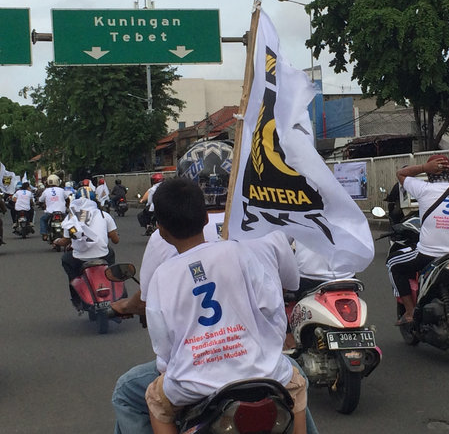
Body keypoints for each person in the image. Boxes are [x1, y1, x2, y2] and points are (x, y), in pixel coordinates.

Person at [143, 178, 307, 434]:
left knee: (156, 402)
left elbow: (163, 345)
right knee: (297, 387)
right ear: (206, 218)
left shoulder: (161, 276)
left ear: (161, 229)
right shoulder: (239, 252)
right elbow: (272, 305)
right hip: (260, 371)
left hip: (193, 382)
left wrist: (172, 367)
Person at [387, 154, 449, 325]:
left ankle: (411, 312)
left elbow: (400, 174)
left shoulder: (424, 189)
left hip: (429, 255)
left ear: (429, 174)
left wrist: (422, 168)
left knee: (393, 264)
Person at [53, 187, 119, 307]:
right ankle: (111, 277)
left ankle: (76, 294)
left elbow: (66, 241)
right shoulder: (104, 215)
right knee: (111, 254)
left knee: (66, 260)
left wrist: (57, 241)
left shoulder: (72, 218)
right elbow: (116, 240)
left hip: (79, 258)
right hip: (103, 255)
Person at [38, 174, 67, 241]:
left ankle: (44, 234)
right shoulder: (61, 190)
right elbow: (67, 199)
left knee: (43, 220)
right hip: (61, 211)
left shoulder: (46, 191)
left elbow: (40, 200)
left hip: (50, 212)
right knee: (68, 222)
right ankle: (69, 236)